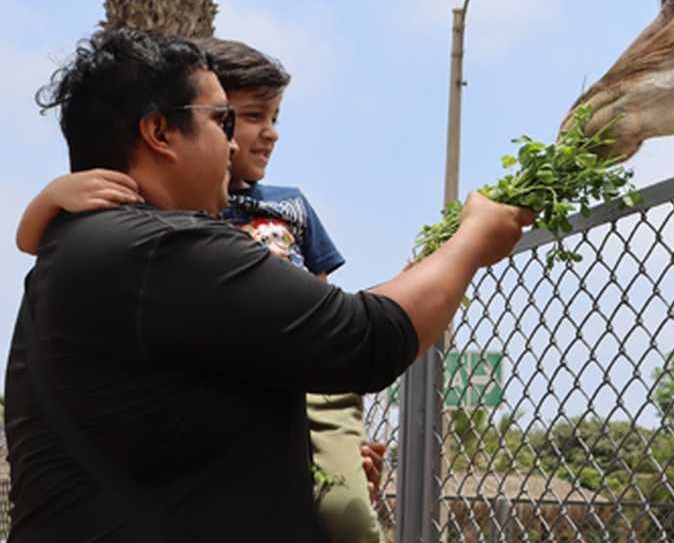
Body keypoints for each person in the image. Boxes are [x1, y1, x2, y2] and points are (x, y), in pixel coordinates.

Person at [4, 28, 531, 541]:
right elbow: (366, 338)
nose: (233, 146)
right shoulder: (161, 249)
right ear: (159, 133)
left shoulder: (82, 245)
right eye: (222, 121)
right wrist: (471, 242)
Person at [15, 38, 390, 542]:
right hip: (277, 365)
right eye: (233, 119)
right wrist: (52, 196)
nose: (257, 137)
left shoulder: (287, 207)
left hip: (301, 366)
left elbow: (325, 312)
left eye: (273, 117)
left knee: (347, 504)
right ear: (162, 131)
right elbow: (32, 239)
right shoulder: (157, 237)